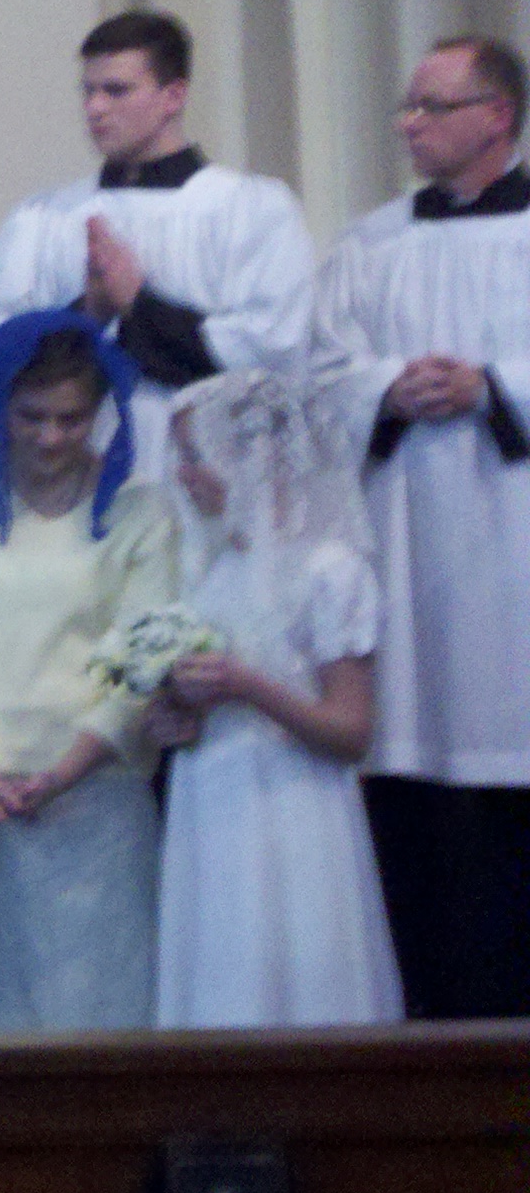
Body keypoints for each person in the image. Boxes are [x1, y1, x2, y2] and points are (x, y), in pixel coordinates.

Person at [310, 34, 530, 1018]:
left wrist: (496, 386)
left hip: (513, 541)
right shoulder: (370, 243)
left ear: (498, 116)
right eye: (407, 105)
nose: (408, 124)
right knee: (414, 804)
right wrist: (384, 388)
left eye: (431, 107)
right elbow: (319, 370)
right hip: (401, 544)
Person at [0, 314, 177, 1034]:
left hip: (95, 797)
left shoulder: (142, 510)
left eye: (71, 419)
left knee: (95, 1018)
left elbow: (140, 663)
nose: (51, 437)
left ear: (99, 413)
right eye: (31, 417)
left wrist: (62, 774)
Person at [148, 373, 403, 1027]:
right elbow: (196, 712)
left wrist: (249, 687)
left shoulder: (329, 569)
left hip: (292, 806)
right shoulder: (213, 570)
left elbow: (351, 732)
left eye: (196, 454)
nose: (182, 474)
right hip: (211, 801)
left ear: (251, 456)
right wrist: (174, 714)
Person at [0, 12, 316, 457]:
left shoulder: (253, 209)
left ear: (173, 96)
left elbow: (273, 353)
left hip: (209, 466)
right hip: (81, 469)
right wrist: (89, 312)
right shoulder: (44, 219)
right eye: (88, 91)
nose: (95, 108)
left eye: (116, 90)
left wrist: (138, 305)